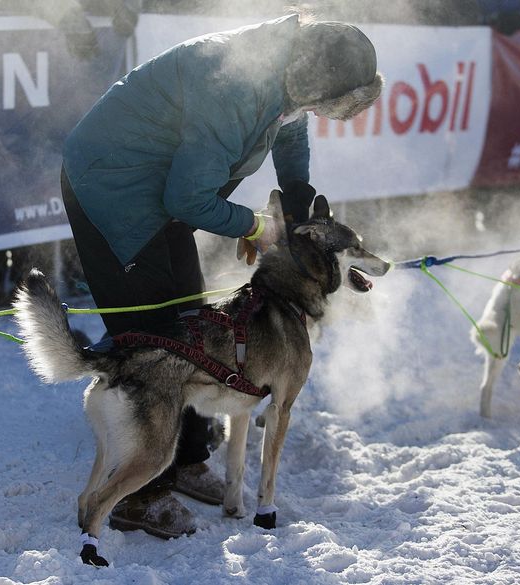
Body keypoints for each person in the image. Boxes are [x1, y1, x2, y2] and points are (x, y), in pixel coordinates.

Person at [60, 13, 382, 539]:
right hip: (112, 185)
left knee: (192, 324)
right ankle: (138, 494)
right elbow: (186, 198)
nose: (314, 114)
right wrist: (257, 225)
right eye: (322, 105)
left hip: (157, 186)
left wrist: (297, 192)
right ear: (313, 80)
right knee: (155, 336)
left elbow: (291, 124)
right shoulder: (233, 88)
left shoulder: (287, 67)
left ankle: (183, 458)